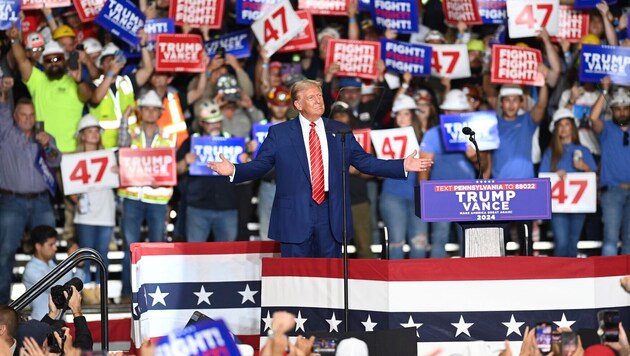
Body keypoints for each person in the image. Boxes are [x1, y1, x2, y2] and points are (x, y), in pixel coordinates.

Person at [208, 80, 433, 258]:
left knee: (330, 277)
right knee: (297, 277)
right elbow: (261, 165)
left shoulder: (340, 130)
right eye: (311, 97)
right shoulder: (280, 133)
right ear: (298, 105)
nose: (318, 100)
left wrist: (402, 164)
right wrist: (234, 170)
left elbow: (365, 161)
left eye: (319, 96)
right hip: (294, 214)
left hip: (330, 213)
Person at [0, 91, 61, 305]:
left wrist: (47, 145)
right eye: (23, 115)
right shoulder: (5, 134)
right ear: (15, 116)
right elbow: (2, 109)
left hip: (40, 201)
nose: (28, 118)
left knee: (49, 250)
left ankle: (54, 301)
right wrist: (6, 92)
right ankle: (2, 306)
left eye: (31, 114)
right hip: (11, 201)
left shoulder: (43, 135)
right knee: (5, 253)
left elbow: (55, 162)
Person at [117, 90, 177, 302]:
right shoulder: (131, 132)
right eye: (147, 109)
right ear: (141, 111)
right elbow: (122, 149)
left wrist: (160, 179)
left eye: (154, 109)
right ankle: (127, 293)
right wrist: (124, 119)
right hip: (133, 197)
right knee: (130, 248)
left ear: (160, 112)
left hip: (158, 200)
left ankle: (155, 293)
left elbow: (171, 167)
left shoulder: (169, 138)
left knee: (157, 247)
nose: (150, 112)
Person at [176, 99, 246, 242]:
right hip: (198, 208)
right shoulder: (191, 142)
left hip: (228, 206)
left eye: (218, 121)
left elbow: (245, 176)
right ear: (201, 123)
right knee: (195, 254)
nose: (215, 125)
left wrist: (245, 163)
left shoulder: (232, 141)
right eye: (210, 122)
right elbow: (175, 170)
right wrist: (185, 162)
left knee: (227, 256)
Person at [71, 114, 116, 304]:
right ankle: (87, 291)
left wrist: (118, 172)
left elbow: (117, 180)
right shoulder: (75, 158)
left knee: (102, 253)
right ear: (82, 135)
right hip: (86, 214)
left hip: (105, 211)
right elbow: (70, 185)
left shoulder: (109, 156)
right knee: (87, 253)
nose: (93, 134)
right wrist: (74, 198)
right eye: (89, 131)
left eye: (96, 131)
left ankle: (102, 290)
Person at [539, 109, 597, 257]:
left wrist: (585, 168)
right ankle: (560, 277)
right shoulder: (550, 152)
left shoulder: (584, 150)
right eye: (560, 125)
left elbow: (594, 177)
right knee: (562, 242)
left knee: (573, 242)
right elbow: (542, 179)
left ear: (573, 127)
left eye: (567, 124)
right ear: (556, 129)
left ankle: (572, 277)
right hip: (558, 206)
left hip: (579, 205)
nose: (564, 128)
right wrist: (555, 175)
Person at [380, 95, 427, 259]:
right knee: (396, 243)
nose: (401, 117)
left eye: (405, 113)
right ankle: (394, 282)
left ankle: (420, 282)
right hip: (393, 194)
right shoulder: (384, 139)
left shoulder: (424, 138)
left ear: (412, 115)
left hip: (418, 196)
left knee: (419, 243)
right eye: (398, 114)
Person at [588, 79, 630, 256]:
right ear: (611, 110)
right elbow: (593, 118)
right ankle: (608, 282)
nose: (621, 112)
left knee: (629, 241)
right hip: (612, 191)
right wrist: (604, 91)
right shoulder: (606, 130)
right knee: (610, 239)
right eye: (617, 108)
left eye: (625, 108)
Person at [22, 225, 85, 320]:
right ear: (38, 246)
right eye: (51, 245)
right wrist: (71, 260)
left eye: (55, 244)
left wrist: (79, 265)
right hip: (42, 323)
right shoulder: (30, 269)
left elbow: (75, 289)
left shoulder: (53, 266)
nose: (55, 248)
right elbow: (57, 286)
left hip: (59, 322)